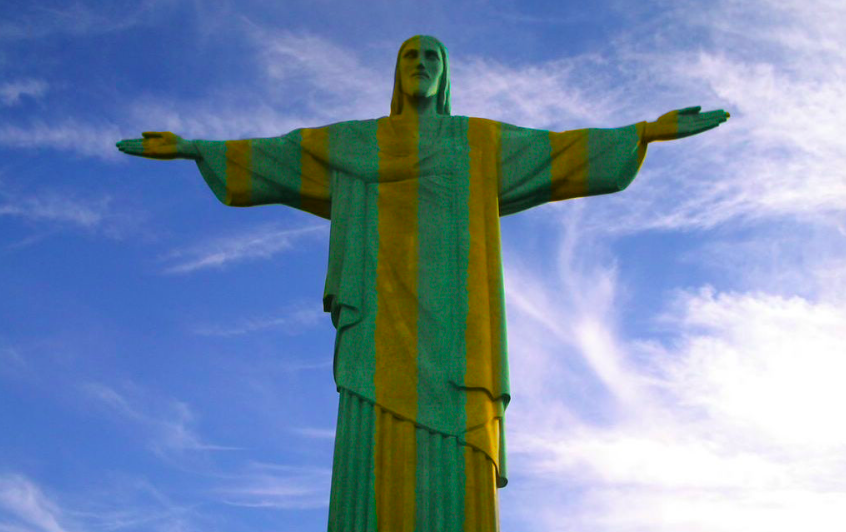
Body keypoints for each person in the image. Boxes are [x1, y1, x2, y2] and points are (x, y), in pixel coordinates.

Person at [117, 34, 729, 532]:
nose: (421, 64)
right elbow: (284, 155)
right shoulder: (358, 143)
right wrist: (196, 148)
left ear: (445, 74)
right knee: (373, 451)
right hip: (378, 328)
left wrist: (644, 132)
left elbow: (558, 151)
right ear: (396, 72)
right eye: (410, 55)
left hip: (460, 333)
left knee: (456, 464)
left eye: (432, 56)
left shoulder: (479, 142)